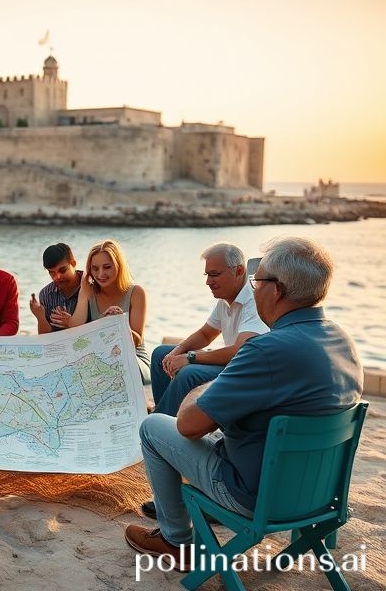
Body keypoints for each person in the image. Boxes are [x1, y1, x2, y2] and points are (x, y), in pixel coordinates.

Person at [124, 237, 363, 570]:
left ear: (276, 290)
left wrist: (206, 386)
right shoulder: (343, 341)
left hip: (256, 497)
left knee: (153, 426)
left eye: (257, 281)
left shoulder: (265, 350)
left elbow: (187, 425)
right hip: (318, 495)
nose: (253, 290)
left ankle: (175, 541)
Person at [150, 243, 269, 417]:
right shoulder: (226, 298)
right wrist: (178, 350)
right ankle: (164, 418)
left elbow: (240, 351)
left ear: (239, 271)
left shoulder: (254, 299)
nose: (208, 282)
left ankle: (157, 428)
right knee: (161, 354)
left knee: (188, 373)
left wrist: (190, 357)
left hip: (243, 370)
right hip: (231, 364)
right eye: (207, 275)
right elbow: (206, 333)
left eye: (215, 274)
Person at [70, 239, 151, 384]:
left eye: (107, 267)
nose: (100, 274)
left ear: (118, 265)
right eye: (94, 268)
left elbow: (137, 341)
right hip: (102, 357)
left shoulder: (136, 292)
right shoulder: (90, 292)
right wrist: (83, 293)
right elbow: (76, 332)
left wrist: (119, 323)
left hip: (133, 358)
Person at [29, 243, 83, 333]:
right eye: (52, 272)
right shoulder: (46, 294)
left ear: (73, 264)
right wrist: (40, 317)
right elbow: (45, 338)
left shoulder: (91, 284)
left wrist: (72, 323)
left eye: (63, 270)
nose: (57, 277)